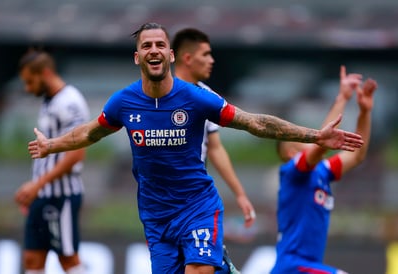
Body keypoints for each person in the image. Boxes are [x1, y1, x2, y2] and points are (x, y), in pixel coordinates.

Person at [23, 23, 363, 274]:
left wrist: (314, 136)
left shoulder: (197, 98)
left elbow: (253, 122)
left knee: (198, 270)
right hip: (156, 218)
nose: (154, 49)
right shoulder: (123, 102)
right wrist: (51, 144)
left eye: (160, 44)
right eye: (147, 45)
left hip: (197, 207)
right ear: (137, 56)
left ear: (170, 55)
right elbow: (90, 133)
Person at [270, 66, 377, 274]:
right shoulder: (292, 172)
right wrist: (342, 98)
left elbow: (357, 155)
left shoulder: (323, 172)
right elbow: (319, 145)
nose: (306, 137)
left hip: (306, 266)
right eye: (299, 138)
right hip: (293, 266)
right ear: (291, 152)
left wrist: (364, 112)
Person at [172, 27, 255, 273]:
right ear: (187, 58)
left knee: (207, 266)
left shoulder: (206, 96)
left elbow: (215, 148)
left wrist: (239, 193)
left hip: (196, 204)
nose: (212, 60)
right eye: (206, 54)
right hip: (161, 207)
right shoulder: (156, 95)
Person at [14, 50, 90, 274]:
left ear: (45, 73)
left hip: (61, 196)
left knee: (68, 259)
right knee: (32, 259)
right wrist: (35, 187)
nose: (28, 88)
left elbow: (76, 154)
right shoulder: (50, 101)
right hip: (44, 194)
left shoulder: (69, 102)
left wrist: (37, 185)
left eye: (30, 81)